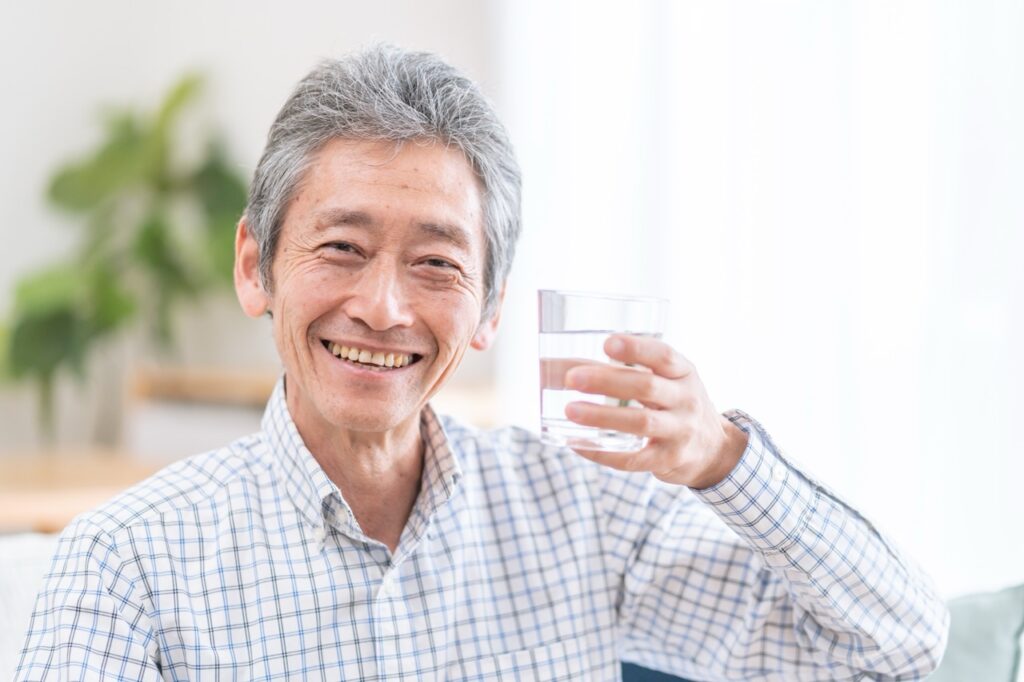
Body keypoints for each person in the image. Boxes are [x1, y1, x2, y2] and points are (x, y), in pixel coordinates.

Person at [17, 45, 948, 681]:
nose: (384, 307)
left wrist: (719, 459)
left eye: (436, 264)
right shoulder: (124, 565)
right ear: (256, 266)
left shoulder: (583, 516)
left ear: (490, 311)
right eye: (342, 247)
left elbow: (896, 647)